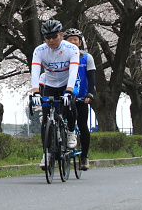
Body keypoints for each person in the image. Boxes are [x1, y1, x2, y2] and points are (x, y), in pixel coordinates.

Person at [30, 19, 80, 170]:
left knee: (70, 106)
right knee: (46, 120)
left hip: (67, 83)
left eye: (54, 36)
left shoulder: (71, 49)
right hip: (51, 85)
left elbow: (73, 71)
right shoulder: (39, 51)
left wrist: (69, 91)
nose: (51, 40)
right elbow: (35, 72)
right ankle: (46, 154)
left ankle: (71, 132)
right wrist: (36, 92)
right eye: (47, 37)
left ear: (61, 35)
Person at [64, 28, 96, 171]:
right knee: (62, 121)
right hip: (64, 96)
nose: (72, 42)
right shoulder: (60, 57)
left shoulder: (86, 58)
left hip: (81, 96)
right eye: (69, 40)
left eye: (75, 40)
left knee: (82, 125)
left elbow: (92, 77)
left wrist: (90, 93)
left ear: (80, 43)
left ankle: (84, 157)